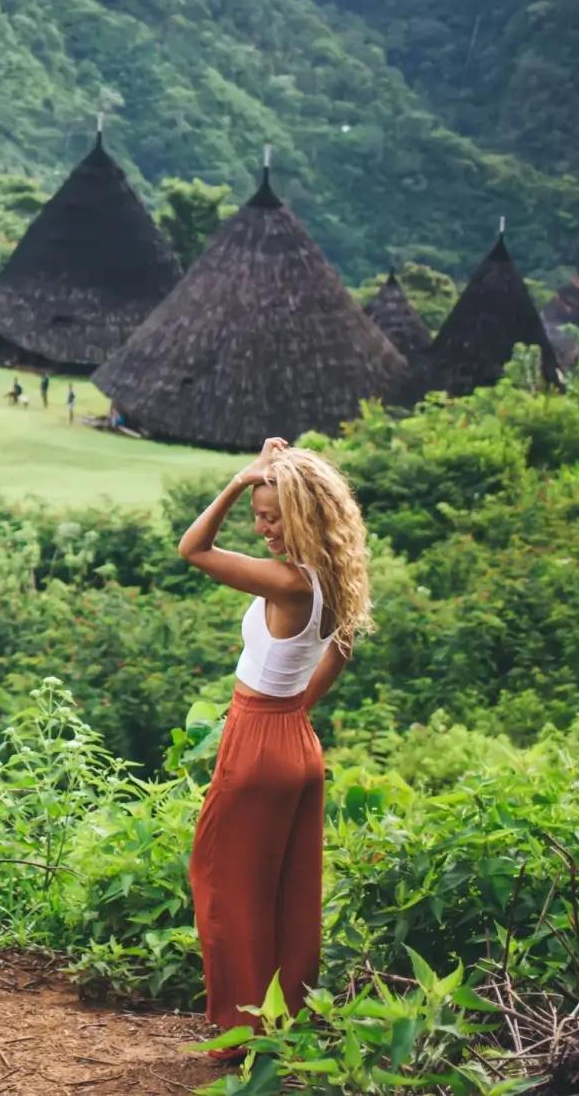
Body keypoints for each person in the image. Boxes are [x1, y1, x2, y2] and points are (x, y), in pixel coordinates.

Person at [176, 437, 372, 1052]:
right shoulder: (331, 573)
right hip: (293, 739)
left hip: (260, 741)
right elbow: (341, 645)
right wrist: (295, 709)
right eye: (257, 514)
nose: (262, 528)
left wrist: (238, 482)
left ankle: (243, 1032)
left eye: (272, 515)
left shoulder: (289, 581)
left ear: (305, 514)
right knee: (286, 890)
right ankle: (283, 1024)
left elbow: (193, 548)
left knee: (224, 880)